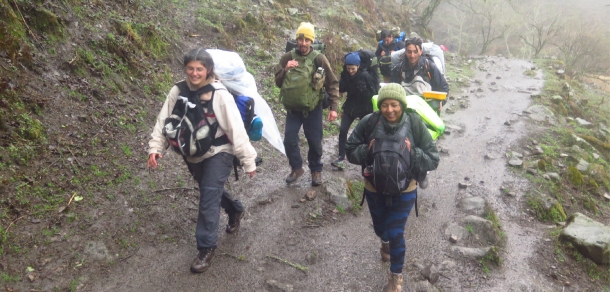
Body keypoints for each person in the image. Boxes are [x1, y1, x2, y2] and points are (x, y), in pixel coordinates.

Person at [147, 48, 257, 274]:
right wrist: (155, 148)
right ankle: (235, 210)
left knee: (208, 195)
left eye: (199, 69)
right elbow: (164, 120)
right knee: (210, 191)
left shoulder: (219, 94)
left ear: (208, 70)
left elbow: (235, 129)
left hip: (220, 151)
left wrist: (248, 160)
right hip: (192, 153)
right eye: (190, 68)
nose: (194, 73)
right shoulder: (178, 90)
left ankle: (206, 248)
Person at [345, 84, 439, 292]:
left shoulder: (414, 123)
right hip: (374, 187)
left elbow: (433, 159)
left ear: (402, 105)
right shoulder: (369, 122)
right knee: (381, 228)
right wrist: (367, 152)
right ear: (380, 106)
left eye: (394, 105)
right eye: (385, 105)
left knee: (396, 231)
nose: (390, 110)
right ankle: (384, 240)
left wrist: (411, 152)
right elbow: (349, 149)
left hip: (405, 189)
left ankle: (396, 276)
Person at [275, 22, 340, 186]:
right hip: (293, 109)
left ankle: (316, 170)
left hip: (313, 109)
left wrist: (333, 108)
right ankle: (296, 168)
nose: (303, 43)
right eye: (301, 39)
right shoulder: (288, 57)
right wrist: (285, 69)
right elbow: (277, 82)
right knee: (289, 140)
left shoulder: (319, 58)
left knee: (314, 141)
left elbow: (332, 83)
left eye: (307, 40)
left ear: (312, 41)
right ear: (297, 39)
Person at [331, 52, 378, 169]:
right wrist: (343, 82)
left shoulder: (366, 76)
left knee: (366, 134)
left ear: (358, 66)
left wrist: (363, 89)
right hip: (350, 106)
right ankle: (341, 157)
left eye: (353, 68)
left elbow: (374, 93)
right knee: (343, 130)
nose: (350, 71)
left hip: (365, 108)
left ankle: (367, 159)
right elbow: (341, 89)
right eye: (348, 68)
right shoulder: (346, 75)